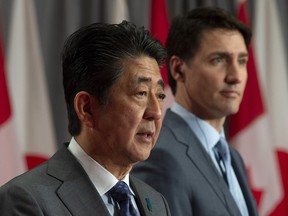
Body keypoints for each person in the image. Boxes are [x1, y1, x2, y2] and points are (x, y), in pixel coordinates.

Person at [0, 21, 171, 216]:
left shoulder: (156, 203)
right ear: (86, 108)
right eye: (140, 93)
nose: (156, 112)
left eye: (160, 95)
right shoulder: (26, 200)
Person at [132, 6, 258, 216]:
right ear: (178, 69)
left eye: (242, 61)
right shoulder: (160, 154)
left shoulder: (233, 157)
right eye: (218, 60)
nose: (236, 76)